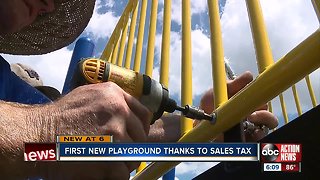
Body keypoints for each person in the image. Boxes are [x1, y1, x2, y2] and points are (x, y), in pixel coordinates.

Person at [0, 0, 278, 179]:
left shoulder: (16, 91)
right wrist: (48, 130)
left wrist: (199, 126)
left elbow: (94, 137)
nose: (51, 6)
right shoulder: (39, 115)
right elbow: (50, 137)